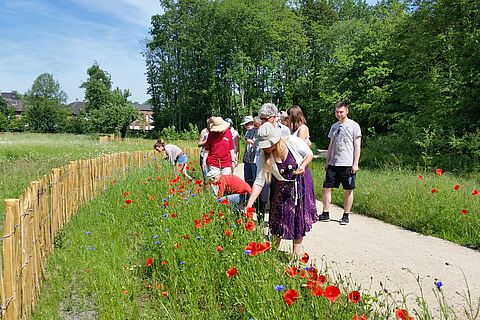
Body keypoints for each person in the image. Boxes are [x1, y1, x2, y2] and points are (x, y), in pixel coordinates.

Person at [245, 122, 317, 257]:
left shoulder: (292, 142)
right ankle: (272, 252)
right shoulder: (263, 156)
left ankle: (295, 256)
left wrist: (303, 166)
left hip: (300, 183)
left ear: (276, 140)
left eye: (268, 145)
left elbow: (309, 154)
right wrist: (250, 204)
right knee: (278, 219)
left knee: (298, 218)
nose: (266, 148)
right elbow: (259, 181)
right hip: (282, 187)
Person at [320, 101, 362, 225]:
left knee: (348, 189)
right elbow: (331, 145)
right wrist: (327, 161)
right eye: (337, 112)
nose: (339, 114)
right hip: (334, 162)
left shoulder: (354, 126)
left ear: (347, 111)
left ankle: (346, 215)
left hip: (347, 163)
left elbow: (357, 146)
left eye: (341, 112)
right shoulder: (334, 126)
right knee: (326, 187)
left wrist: (355, 163)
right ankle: (326, 212)